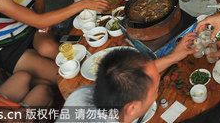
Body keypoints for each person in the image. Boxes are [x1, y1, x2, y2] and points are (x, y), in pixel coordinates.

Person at [59, 37, 196, 123]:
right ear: (132, 108)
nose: (157, 88)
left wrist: (173, 57)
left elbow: (134, 73)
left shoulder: (82, 93)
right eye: (155, 89)